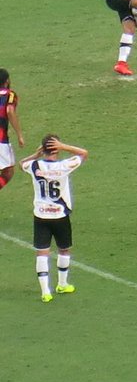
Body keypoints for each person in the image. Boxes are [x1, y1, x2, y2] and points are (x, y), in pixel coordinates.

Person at [20, 135, 88, 303]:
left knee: (42, 253)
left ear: (43, 150)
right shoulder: (64, 166)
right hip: (60, 216)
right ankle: (62, 284)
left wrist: (35, 155)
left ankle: (45, 292)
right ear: (56, 149)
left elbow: (22, 164)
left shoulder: (35, 165)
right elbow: (84, 153)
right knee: (64, 249)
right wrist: (63, 145)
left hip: (41, 215)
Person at [0, 69, 24, 193]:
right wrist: (19, 134)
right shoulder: (10, 95)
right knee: (8, 171)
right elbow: (9, 111)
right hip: (1, 140)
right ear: (7, 80)